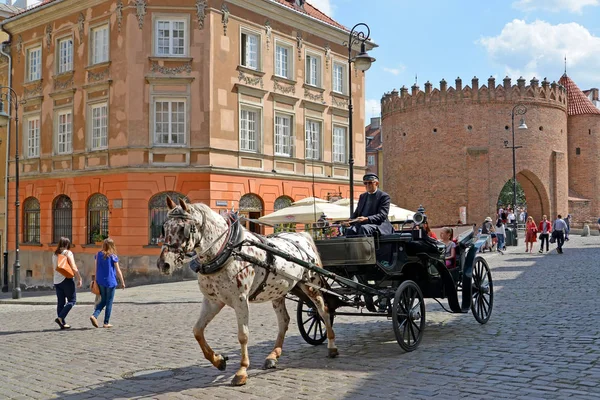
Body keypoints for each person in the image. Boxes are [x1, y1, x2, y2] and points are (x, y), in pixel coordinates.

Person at [90, 238, 125, 328]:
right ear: (112, 246)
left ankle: (94, 315)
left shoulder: (97, 255)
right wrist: (122, 282)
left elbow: (95, 268)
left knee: (104, 300)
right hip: (110, 281)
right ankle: (106, 322)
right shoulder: (113, 256)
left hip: (100, 281)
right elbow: (118, 270)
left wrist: (95, 280)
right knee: (109, 302)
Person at [53, 237, 82, 329]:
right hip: (66, 279)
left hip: (56, 280)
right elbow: (73, 267)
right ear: (67, 245)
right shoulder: (68, 253)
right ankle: (61, 317)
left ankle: (62, 323)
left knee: (60, 302)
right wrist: (79, 278)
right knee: (72, 300)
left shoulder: (54, 254)